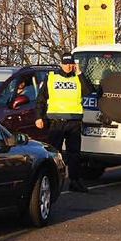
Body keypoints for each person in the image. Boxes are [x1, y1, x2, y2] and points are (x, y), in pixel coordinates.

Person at [35, 51, 93, 193]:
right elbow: (41, 99)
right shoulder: (52, 78)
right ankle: (52, 182)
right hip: (56, 122)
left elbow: (88, 90)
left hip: (74, 121)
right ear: (61, 64)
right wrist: (39, 117)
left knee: (74, 154)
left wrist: (79, 73)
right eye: (66, 64)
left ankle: (74, 181)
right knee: (54, 154)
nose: (68, 66)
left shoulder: (77, 78)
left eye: (70, 64)